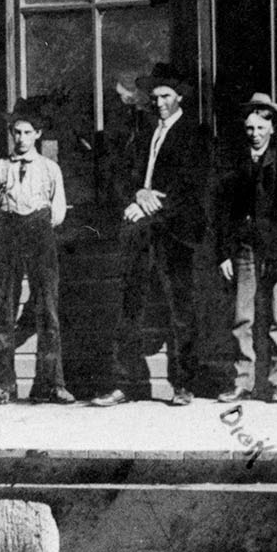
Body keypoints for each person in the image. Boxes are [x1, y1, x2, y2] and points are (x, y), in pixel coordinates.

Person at [92, 64, 211, 408]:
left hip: (176, 233)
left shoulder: (195, 134)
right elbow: (123, 173)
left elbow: (192, 187)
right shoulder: (144, 132)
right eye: (155, 97)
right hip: (140, 233)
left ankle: (184, 384)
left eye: (166, 97)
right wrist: (137, 194)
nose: (159, 103)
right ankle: (124, 383)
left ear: (180, 97)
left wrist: (152, 206)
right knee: (130, 306)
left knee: (181, 309)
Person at [0, 106, 73, 407]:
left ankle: (50, 384)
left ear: (38, 134)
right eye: (16, 132)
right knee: (2, 308)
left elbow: (58, 211)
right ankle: (3, 385)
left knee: (48, 309)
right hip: (7, 232)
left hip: (40, 232)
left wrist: (38, 225)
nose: (21, 138)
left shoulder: (49, 169)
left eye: (28, 132)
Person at [211, 93, 277, 404]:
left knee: (275, 317)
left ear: (272, 128)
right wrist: (224, 253)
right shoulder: (234, 164)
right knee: (242, 316)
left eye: (261, 128)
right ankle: (242, 381)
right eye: (250, 128)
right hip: (243, 247)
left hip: (273, 249)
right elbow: (222, 212)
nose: (255, 134)